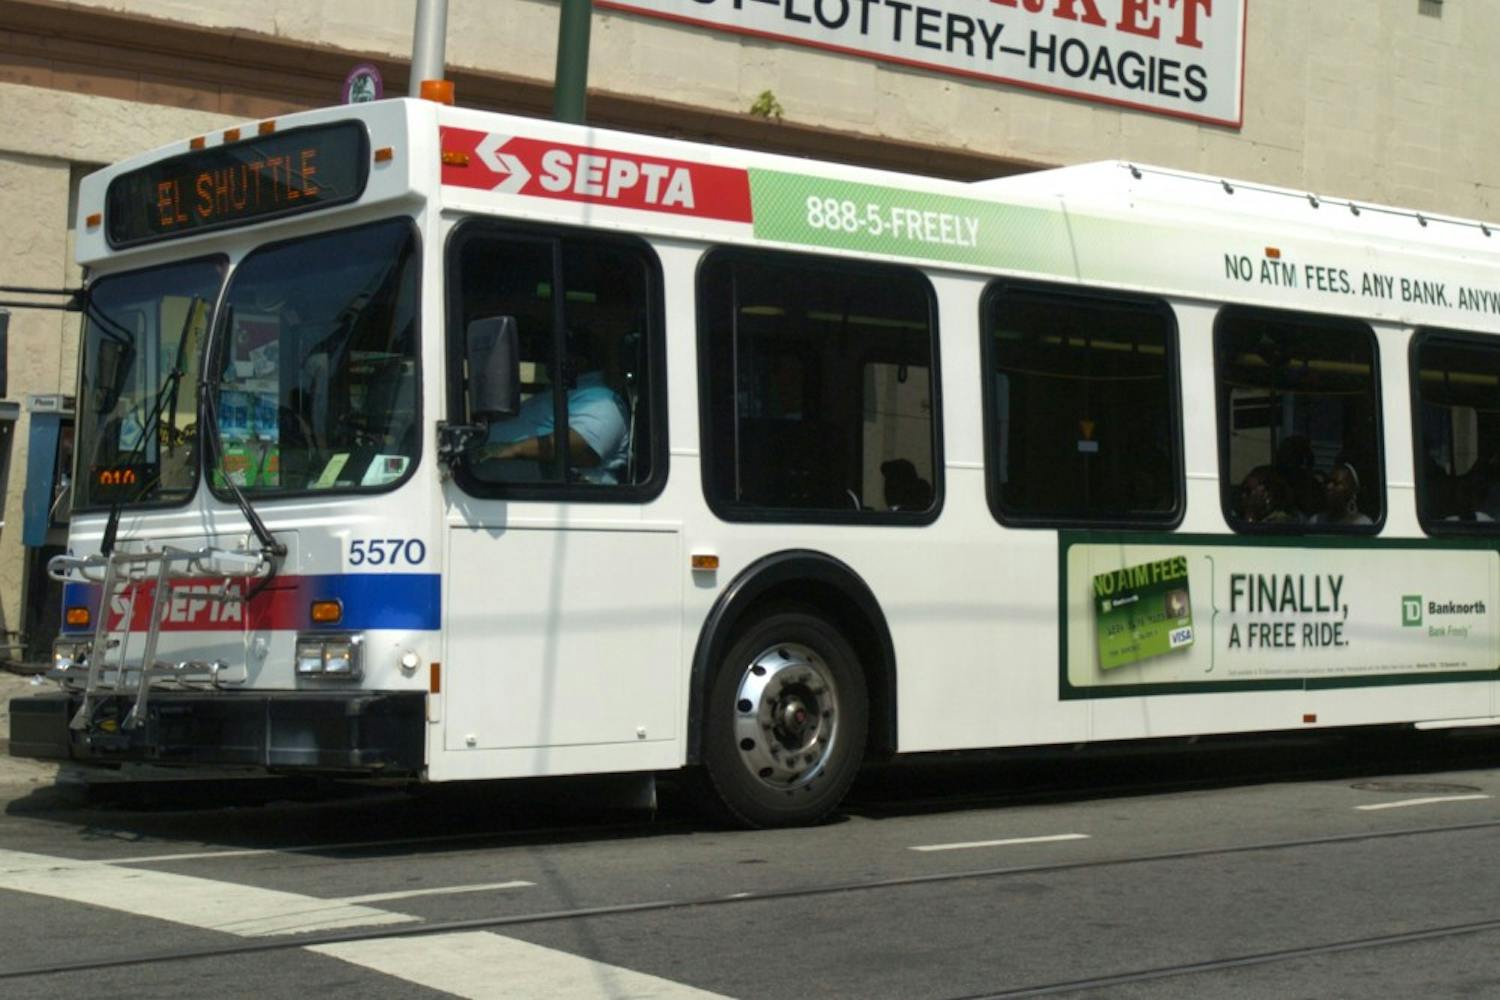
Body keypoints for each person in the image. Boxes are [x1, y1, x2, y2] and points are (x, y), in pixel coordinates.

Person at [470, 349, 629, 485]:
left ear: (581, 361)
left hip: (553, 491)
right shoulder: (563, 393)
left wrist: (514, 449)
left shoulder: (601, 399)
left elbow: (586, 449)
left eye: (556, 353)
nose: (549, 358)